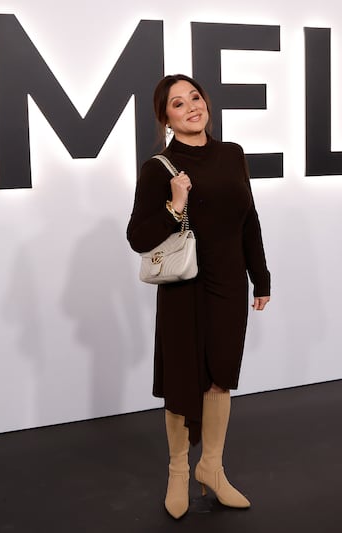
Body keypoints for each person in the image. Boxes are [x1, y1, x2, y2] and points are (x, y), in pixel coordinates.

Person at [127, 74, 271, 519]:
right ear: (165, 118)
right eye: (177, 103)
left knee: (220, 376)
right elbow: (137, 237)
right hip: (184, 289)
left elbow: (249, 220)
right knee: (183, 378)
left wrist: (260, 277)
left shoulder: (232, 155)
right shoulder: (160, 167)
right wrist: (174, 205)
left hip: (228, 283)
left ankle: (211, 467)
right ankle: (177, 471)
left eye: (194, 97)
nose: (191, 106)